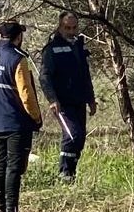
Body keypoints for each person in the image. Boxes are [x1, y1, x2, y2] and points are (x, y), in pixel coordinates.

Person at [0, 20, 43, 212]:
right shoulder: (18, 59)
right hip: (16, 122)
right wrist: (35, 116)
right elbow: (26, 93)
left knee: (0, 164)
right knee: (14, 167)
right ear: (18, 37)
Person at [39, 11, 97, 184]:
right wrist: (52, 99)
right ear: (60, 27)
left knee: (80, 139)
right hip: (62, 103)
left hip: (79, 100)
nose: (71, 31)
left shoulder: (78, 46)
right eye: (67, 28)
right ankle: (64, 174)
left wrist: (91, 99)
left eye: (74, 27)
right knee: (72, 135)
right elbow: (44, 77)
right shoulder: (51, 49)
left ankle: (71, 174)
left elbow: (85, 75)